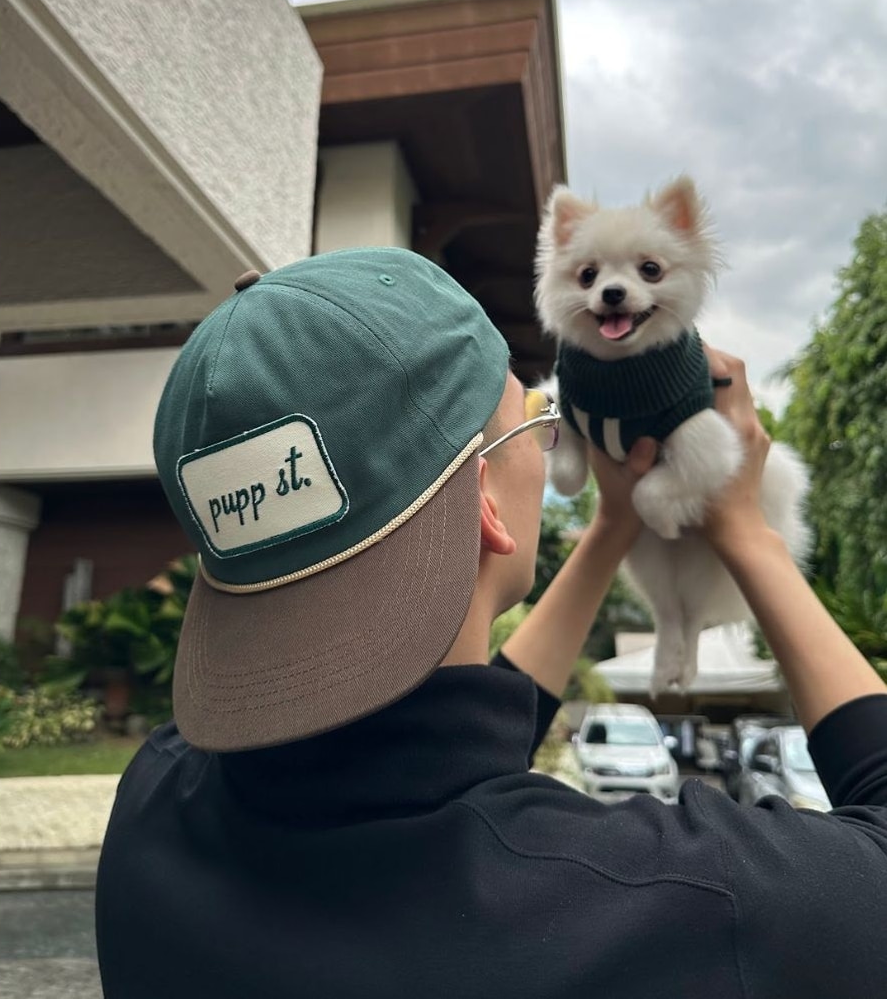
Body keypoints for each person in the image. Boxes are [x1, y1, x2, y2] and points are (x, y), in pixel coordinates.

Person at [95, 247, 887, 999]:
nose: (547, 441)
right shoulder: (687, 906)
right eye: (534, 422)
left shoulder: (152, 808)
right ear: (485, 500)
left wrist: (612, 528)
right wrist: (748, 530)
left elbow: (435, 745)